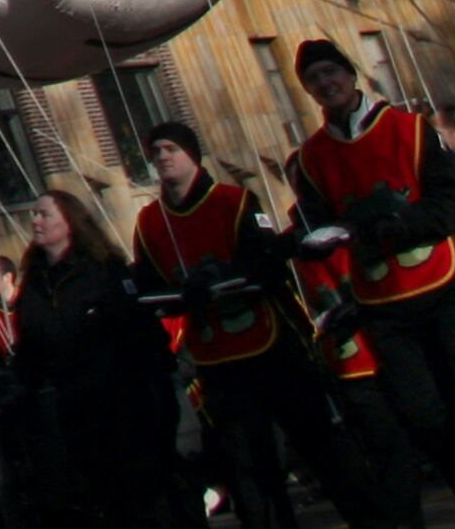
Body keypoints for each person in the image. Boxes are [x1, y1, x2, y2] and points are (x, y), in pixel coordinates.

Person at [281, 38, 455, 529]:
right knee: (428, 419)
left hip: (449, 288)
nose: (325, 83)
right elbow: (317, 222)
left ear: (351, 74)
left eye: (331, 72)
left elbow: (454, 199)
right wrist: (296, 243)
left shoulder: (411, 128)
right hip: (384, 303)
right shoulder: (313, 156)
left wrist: (400, 225)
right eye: (314, 79)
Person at [131, 125, 415, 529]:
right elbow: (148, 284)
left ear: (193, 155)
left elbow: (267, 261)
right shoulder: (148, 222)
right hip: (216, 357)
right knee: (246, 466)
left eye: (171, 148)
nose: (162, 156)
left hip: (272, 344)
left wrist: (228, 275)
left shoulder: (236, 200)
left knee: (320, 445)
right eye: (154, 149)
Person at [0, 188, 185, 529]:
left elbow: (136, 331)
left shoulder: (103, 270)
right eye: (34, 215)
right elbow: (32, 345)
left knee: (149, 495)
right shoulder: (36, 282)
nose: (35, 221)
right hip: (76, 407)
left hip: (123, 401)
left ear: (69, 223)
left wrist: (155, 390)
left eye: (44, 214)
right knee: (106, 498)